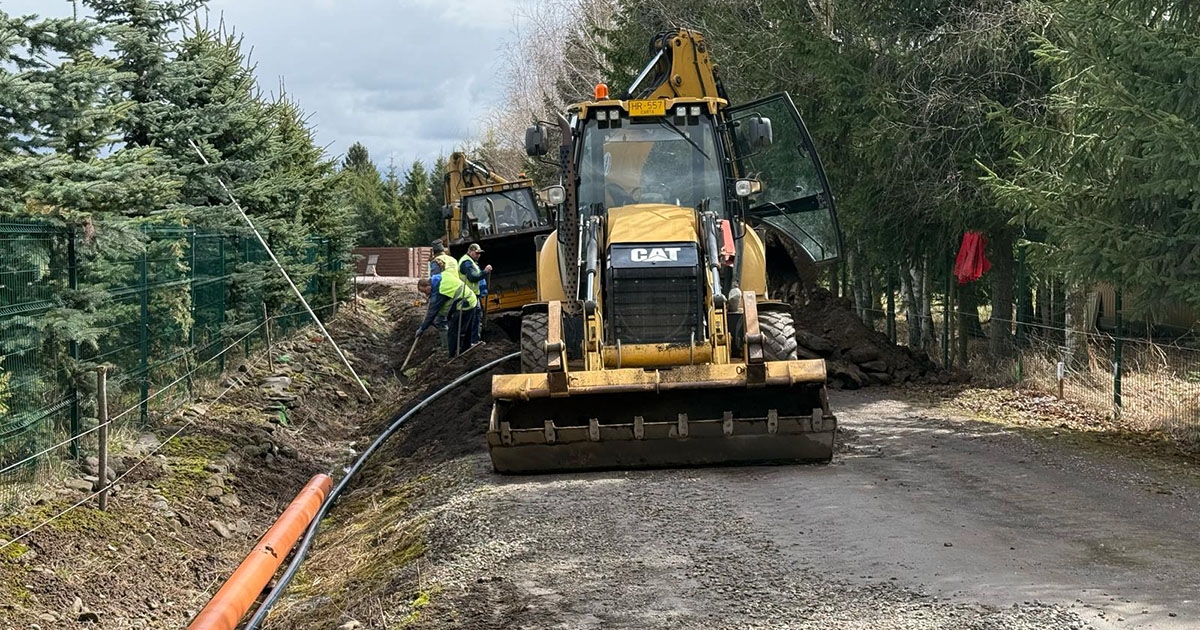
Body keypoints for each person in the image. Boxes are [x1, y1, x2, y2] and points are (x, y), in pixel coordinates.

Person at [416, 256, 477, 358]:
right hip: (471, 299)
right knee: (466, 329)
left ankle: (452, 355)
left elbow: (432, 313)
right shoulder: (442, 276)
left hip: (465, 304)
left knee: (453, 331)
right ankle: (466, 350)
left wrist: (422, 328)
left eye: (424, 291)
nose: (426, 295)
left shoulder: (441, 290)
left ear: (428, 285)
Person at [458, 243, 491, 346]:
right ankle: (471, 342)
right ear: (470, 251)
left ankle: (474, 341)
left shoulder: (472, 262)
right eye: (476, 253)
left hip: (473, 295)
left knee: (476, 317)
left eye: (479, 253)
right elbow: (472, 277)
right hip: (467, 295)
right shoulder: (466, 263)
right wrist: (485, 272)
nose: (478, 255)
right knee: (472, 319)